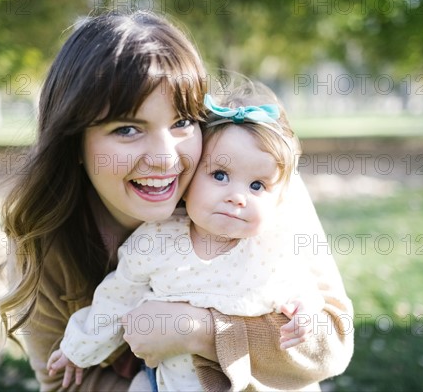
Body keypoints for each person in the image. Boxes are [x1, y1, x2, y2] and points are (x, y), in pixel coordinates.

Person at [0, 10, 354, 392]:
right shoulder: (45, 244)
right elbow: (62, 384)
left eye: (182, 122)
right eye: (128, 129)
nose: (166, 158)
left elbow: (330, 344)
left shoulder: (259, 187)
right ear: (75, 143)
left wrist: (199, 332)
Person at [47, 84, 329, 391]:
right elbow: (115, 300)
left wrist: (305, 313)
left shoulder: (273, 246)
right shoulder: (156, 241)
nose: (237, 197)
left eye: (257, 186)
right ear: (191, 176)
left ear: (280, 199)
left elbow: (303, 291)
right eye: (219, 175)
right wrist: (77, 351)